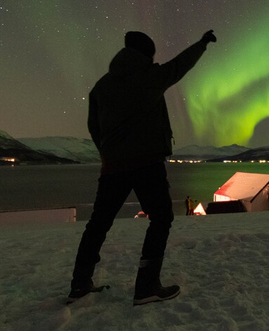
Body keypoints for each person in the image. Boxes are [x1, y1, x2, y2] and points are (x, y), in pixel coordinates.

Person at [68, 30, 217, 305]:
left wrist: (110, 154)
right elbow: (179, 66)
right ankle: (147, 285)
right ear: (146, 54)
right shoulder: (150, 77)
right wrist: (201, 44)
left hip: (112, 167)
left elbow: (94, 127)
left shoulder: (101, 87)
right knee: (161, 218)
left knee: (98, 223)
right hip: (147, 163)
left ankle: (79, 283)